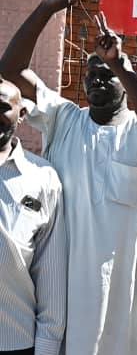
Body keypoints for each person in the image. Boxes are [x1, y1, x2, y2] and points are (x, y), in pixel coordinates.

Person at [0, 0, 137, 354]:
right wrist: (45, 10)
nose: (98, 79)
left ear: (125, 78)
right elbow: (11, 71)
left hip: (128, 295)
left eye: (107, 74)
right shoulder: (64, 119)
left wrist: (118, 63)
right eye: (91, 73)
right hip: (67, 290)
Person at [0, 78, 65, 355]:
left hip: (15, 339)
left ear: (22, 114)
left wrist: (48, 344)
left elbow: (51, 270)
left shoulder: (42, 178)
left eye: (2, 107)